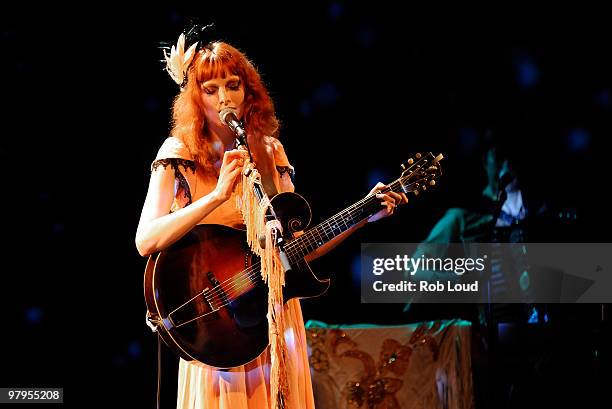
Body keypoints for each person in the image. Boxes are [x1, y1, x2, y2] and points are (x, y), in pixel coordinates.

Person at [135, 27, 408, 409]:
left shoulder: (269, 151)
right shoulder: (178, 152)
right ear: (195, 97)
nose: (224, 98)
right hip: (218, 323)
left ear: (249, 91)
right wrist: (216, 196)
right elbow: (146, 239)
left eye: (233, 85)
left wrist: (364, 215)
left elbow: (295, 251)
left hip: (272, 316)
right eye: (211, 89)